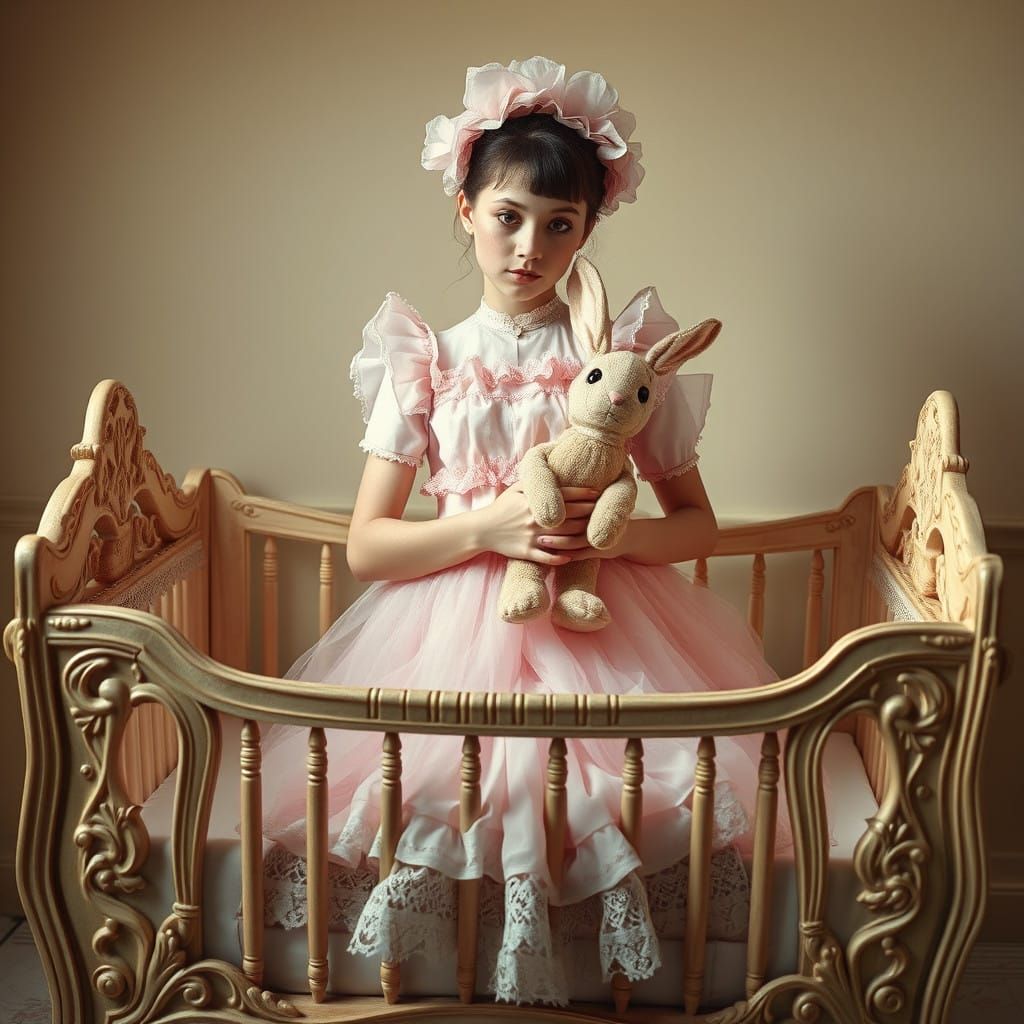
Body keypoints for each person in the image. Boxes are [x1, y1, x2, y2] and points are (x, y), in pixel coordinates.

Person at [258, 56, 780, 1005]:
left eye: (559, 225)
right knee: (453, 784)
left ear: (586, 230)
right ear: (466, 209)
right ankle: (455, 972)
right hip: (453, 625)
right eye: (507, 217)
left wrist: (618, 541)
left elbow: (695, 524)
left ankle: (584, 971)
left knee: (618, 787)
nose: (529, 247)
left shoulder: (617, 364)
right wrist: (487, 528)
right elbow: (368, 545)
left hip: (604, 615)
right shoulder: (428, 359)